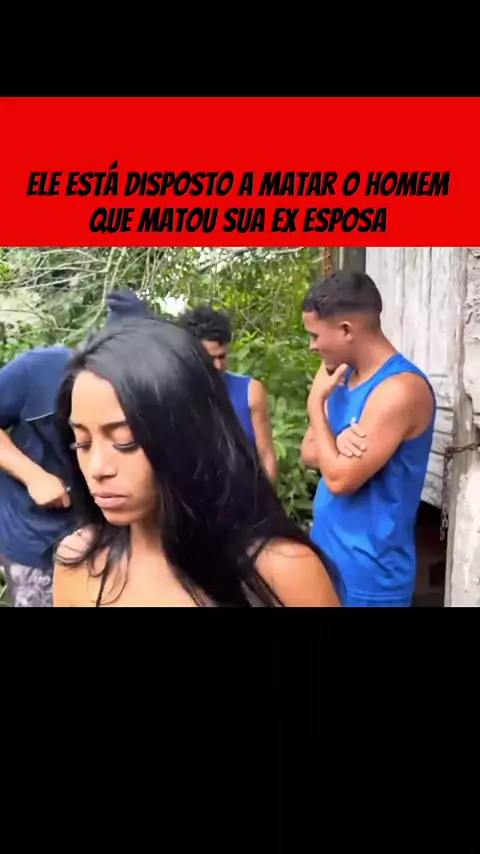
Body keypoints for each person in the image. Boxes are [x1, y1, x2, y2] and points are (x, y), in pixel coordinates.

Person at [53, 317, 341, 607]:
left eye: (125, 440)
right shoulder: (79, 562)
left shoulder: (283, 571)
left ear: (188, 434)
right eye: (83, 442)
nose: (97, 468)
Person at [0, 287, 153, 607]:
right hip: (34, 535)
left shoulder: (148, 394)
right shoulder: (39, 370)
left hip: (103, 532)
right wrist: (33, 476)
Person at [300, 270, 436, 607]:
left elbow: (340, 479)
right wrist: (336, 443)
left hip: (370, 579)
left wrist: (315, 404)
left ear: (346, 330)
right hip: (328, 560)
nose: (312, 346)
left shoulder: (400, 390)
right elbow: (308, 452)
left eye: (315, 335)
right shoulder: (340, 375)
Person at [177, 306, 278, 484]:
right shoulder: (176, 393)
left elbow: (266, 455)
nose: (218, 366)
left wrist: (268, 497)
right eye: (210, 359)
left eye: (222, 357)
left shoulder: (250, 392)